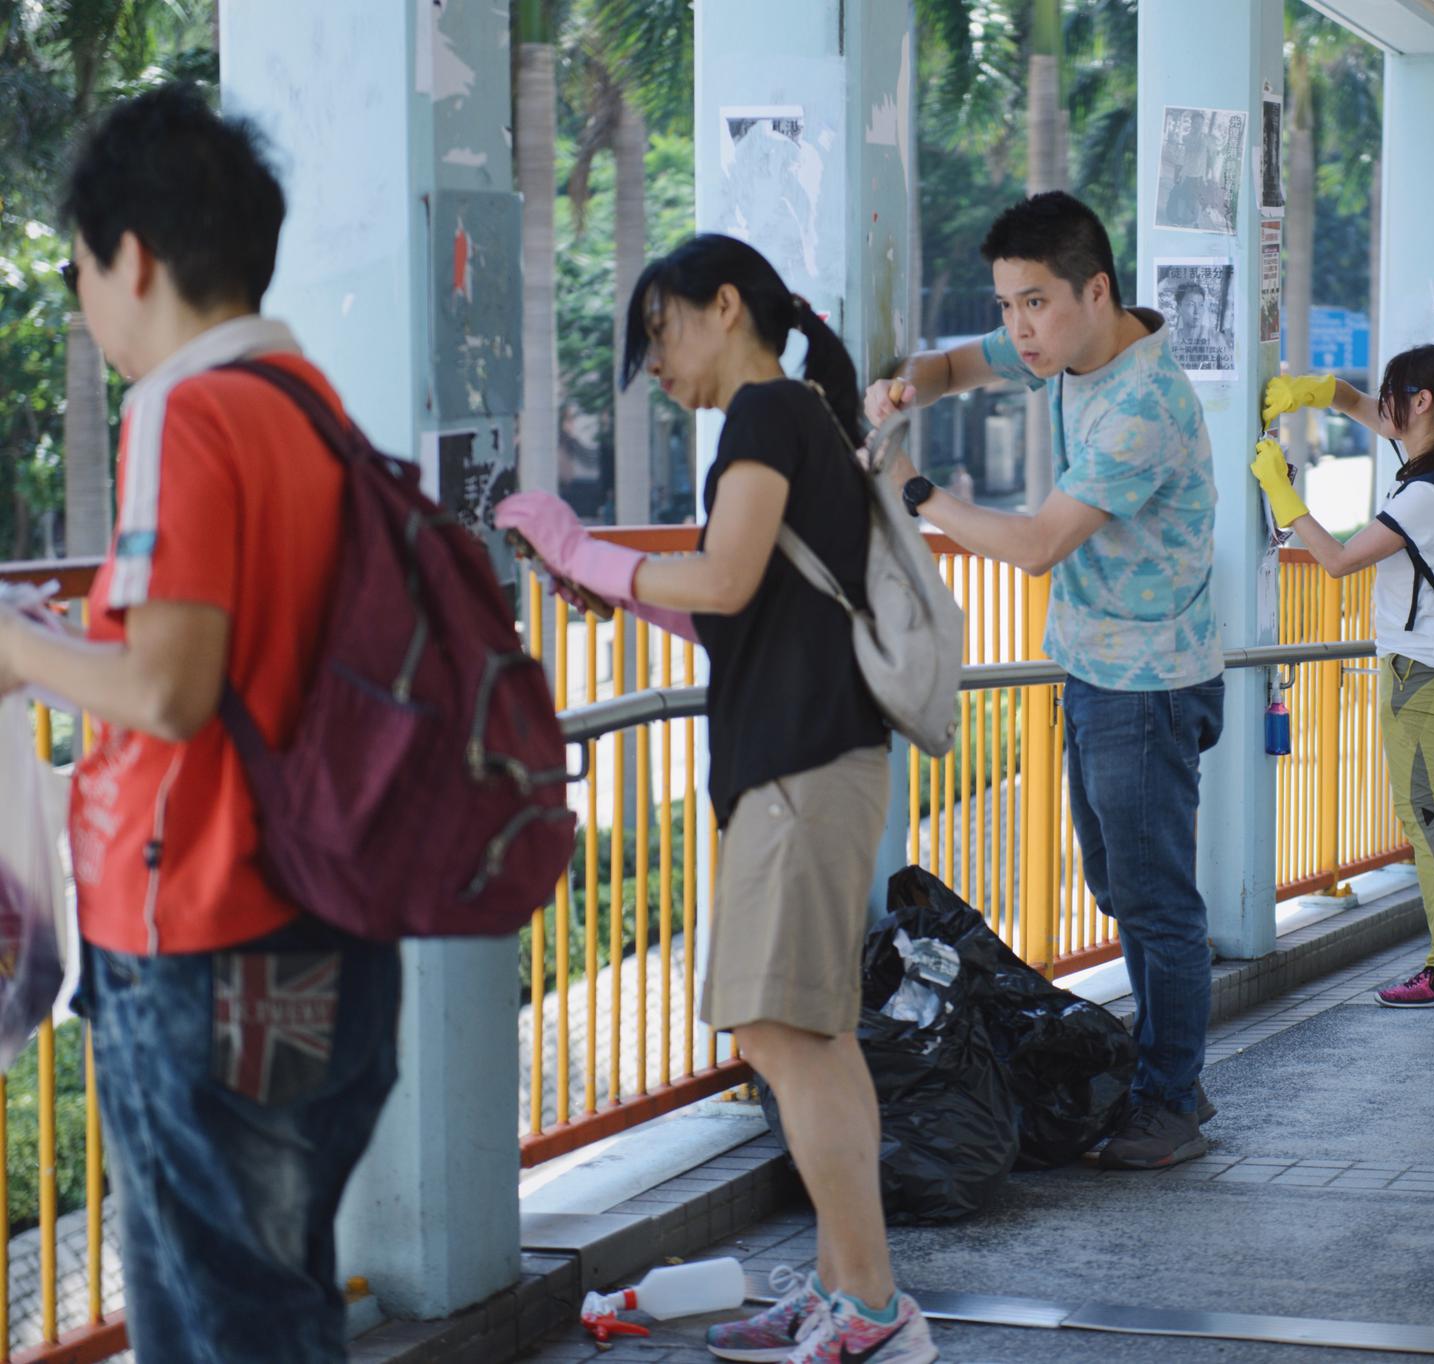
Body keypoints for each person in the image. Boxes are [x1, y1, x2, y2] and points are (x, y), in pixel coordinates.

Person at [0, 85, 399, 1362]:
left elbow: (173, 691)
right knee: (272, 1306)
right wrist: (64, 657)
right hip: (322, 937)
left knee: (219, 1327)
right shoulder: (309, 404)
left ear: (136, 256)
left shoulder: (184, 408)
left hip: (206, 942)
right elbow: (233, 661)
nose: (83, 303)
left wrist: (9, 638)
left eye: (78, 270)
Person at [496, 234, 938, 1364]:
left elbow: (726, 576)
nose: (657, 366)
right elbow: (735, 608)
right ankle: (845, 1286)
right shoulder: (800, 420)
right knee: (805, 1029)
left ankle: (874, 1305)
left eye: (660, 333)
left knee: (780, 1028)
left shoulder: (763, 415)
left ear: (724, 306)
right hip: (808, 756)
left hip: (795, 765)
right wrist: (617, 583)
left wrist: (584, 551)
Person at [866, 190, 1224, 1170]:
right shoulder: (1072, 346)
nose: (1018, 326)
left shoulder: (1143, 403)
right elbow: (954, 363)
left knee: (1154, 900)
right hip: (1100, 661)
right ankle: (1167, 1077)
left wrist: (910, 485)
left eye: (1034, 302)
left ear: (1093, 290)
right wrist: (906, 387)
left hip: (1148, 681)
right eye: (1007, 302)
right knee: (1121, 883)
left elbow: (1032, 545)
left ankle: (1169, 1097)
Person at [1258, 346, 1434, 1005]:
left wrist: (1283, 495)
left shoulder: (1426, 494)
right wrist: (1317, 390)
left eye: (1395, 391)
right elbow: (1363, 408)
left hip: (1417, 675)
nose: (1382, 403)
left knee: (1427, 820)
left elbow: (1337, 561)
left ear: (1421, 402)